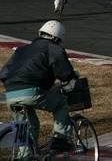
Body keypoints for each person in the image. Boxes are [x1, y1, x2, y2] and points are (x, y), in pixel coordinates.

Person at [0, 20, 80, 150]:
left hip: (10, 94)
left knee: (26, 126)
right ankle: (60, 139)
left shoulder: (22, 50)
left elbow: (3, 74)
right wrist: (73, 75)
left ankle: (25, 156)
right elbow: (64, 73)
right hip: (31, 92)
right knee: (61, 104)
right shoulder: (54, 48)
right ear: (55, 38)